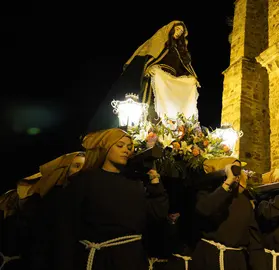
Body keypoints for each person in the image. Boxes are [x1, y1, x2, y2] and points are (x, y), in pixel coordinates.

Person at [53, 128, 169, 270]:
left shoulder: (135, 183)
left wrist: (156, 183)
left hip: (131, 260)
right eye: (119, 146)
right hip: (98, 260)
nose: (126, 150)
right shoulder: (84, 181)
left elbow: (157, 213)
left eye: (129, 147)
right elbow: (66, 227)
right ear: (106, 148)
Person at [191, 159, 267, 270]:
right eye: (234, 169)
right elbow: (204, 209)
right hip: (208, 260)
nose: (237, 174)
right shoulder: (206, 193)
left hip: (235, 262)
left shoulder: (244, 202)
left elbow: (254, 241)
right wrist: (227, 182)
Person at [124, 20, 199, 120]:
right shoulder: (161, 43)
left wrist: (193, 78)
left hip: (172, 78)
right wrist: (149, 67)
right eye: (177, 29)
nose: (178, 33)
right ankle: (151, 120)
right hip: (160, 74)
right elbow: (150, 58)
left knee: (190, 82)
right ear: (171, 29)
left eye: (181, 32)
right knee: (156, 80)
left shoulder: (178, 51)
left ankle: (179, 121)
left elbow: (184, 68)